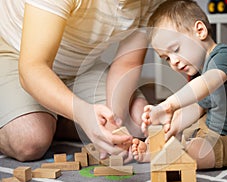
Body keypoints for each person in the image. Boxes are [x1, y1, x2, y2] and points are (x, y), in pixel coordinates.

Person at [0, 0, 165, 162]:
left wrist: (115, 123)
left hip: (81, 65)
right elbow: (33, 68)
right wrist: (82, 112)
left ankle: (57, 117)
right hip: (17, 52)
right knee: (30, 140)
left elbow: (127, 63)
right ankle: (52, 117)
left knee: (137, 122)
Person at [132, 0, 227, 169]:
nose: (174, 62)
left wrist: (168, 105)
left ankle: (165, 154)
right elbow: (198, 107)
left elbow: (207, 83)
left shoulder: (223, 56)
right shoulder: (199, 70)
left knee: (195, 151)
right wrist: (170, 129)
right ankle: (161, 146)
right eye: (167, 58)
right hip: (215, 127)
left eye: (175, 50)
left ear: (200, 31)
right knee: (182, 120)